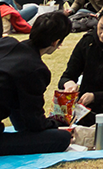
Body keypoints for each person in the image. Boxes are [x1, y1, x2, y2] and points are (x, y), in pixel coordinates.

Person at [0, 12, 71, 156]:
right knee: (62, 139)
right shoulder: (35, 69)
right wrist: (54, 123)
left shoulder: (6, 43)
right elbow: (35, 122)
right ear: (55, 42)